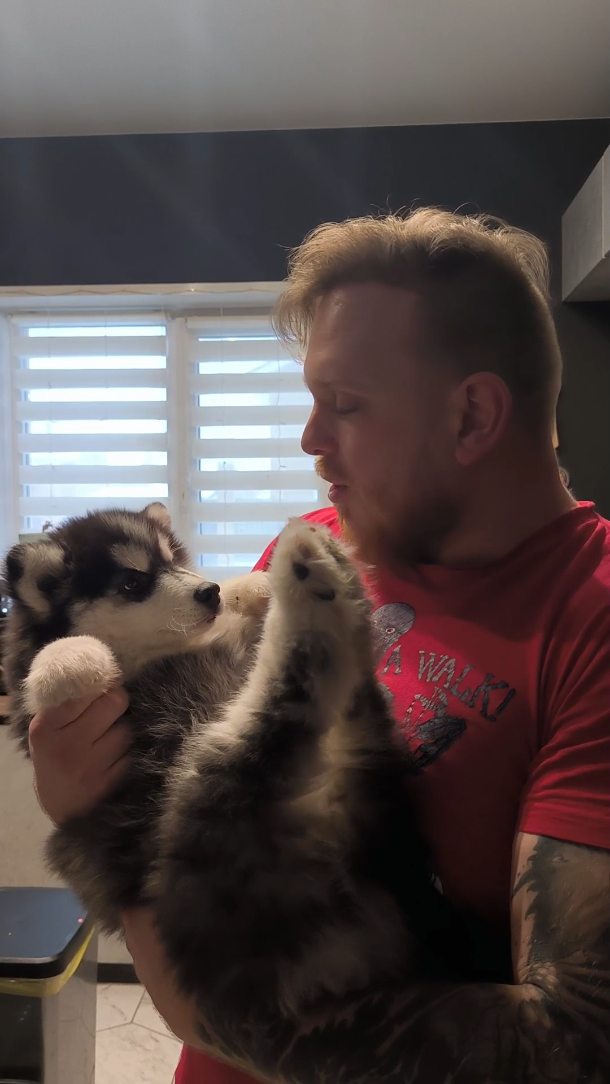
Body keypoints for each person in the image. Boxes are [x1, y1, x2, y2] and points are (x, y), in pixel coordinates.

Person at [28, 209, 610, 1083]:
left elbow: (569, 1044)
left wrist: (192, 978)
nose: (310, 440)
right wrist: (85, 799)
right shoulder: (317, 550)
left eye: (344, 405)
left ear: (474, 414)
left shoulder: (591, 622)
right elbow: (181, 801)